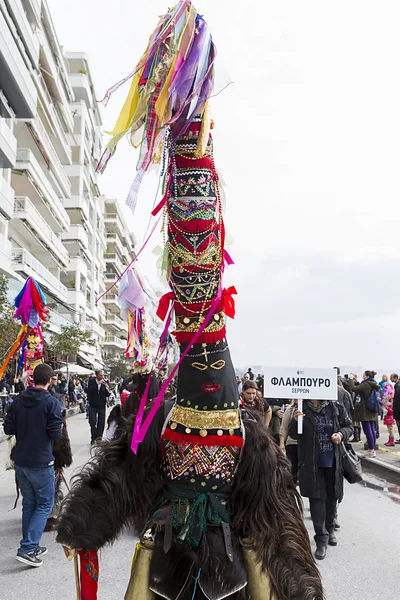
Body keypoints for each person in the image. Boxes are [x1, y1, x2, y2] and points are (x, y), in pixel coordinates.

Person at [55, 16, 323, 597]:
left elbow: (274, 514)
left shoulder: (245, 437)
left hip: (223, 568)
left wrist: (296, 579)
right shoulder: (165, 425)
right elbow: (122, 471)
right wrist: (85, 520)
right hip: (168, 565)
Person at [3, 363, 62, 567]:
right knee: (45, 504)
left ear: (32, 379)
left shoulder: (18, 401)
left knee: (29, 504)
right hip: (41, 461)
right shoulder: (51, 403)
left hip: (21, 461)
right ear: (49, 379)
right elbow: (55, 433)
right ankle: (28, 547)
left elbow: (8, 426)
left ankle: (31, 545)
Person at [289, 398, 353, 560]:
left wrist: (341, 434)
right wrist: (296, 421)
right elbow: (294, 434)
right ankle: (321, 539)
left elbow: (349, 427)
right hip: (312, 464)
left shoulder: (336, 408)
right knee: (317, 499)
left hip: (333, 462)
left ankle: (330, 529)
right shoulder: (301, 409)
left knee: (332, 496)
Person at [349, 370, 380, 457]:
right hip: (373, 410)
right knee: (372, 430)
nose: (362, 376)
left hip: (365, 411)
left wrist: (351, 379)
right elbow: (361, 387)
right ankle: (372, 449)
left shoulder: (366, 384)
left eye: (363, 375)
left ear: (366, 376)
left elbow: (353, 388)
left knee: (368, 430)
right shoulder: (374, 384)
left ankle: (371, 450)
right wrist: (356, 381)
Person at [87, 370, 110, 444]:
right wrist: (97, 384)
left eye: (103, 375)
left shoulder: (105, 382)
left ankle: (99, 438)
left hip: (101, 405)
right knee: (92, 421)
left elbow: (107, 394)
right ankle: (93, 437)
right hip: (92, 405)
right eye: (100, 375)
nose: (102, 377)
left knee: (101, 422)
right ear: (96, 375)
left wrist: (107, 389)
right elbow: (89, 391)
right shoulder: (91, 381)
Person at [279, 400, 298, 484]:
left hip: (306, 444)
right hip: (292, 443)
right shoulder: (290, 410)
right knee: (292, 469)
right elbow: (284, 427)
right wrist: (281, 443)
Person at [382, 381, 395, 446]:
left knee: (390, 429)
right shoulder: (389, 398)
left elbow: (391, 410)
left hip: (389, 417)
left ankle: (391, 440)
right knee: (389, 428)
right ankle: (390, 440)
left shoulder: (390, 400)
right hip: (388, 416)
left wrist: (386, 407)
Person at [390, 373, 400, 444]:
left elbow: (397, 399)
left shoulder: (398, 386)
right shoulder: (397, 385)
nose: (390, 379)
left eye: (391, 378)